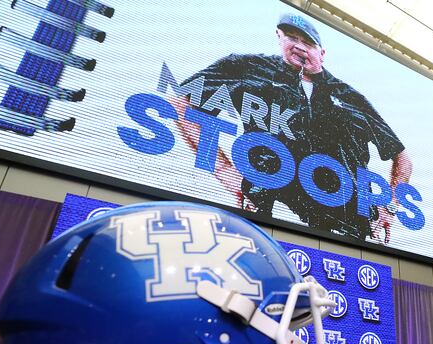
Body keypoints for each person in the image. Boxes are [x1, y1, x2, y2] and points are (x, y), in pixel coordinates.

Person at [171, 12, 412, 243]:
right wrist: (224, 171)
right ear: (279, 37)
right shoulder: (247, 68)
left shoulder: (350, 98)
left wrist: (389, 207)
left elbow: (402, 159)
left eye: (308, 42)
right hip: (268, 215)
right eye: (291, 37)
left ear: (322, 53)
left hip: (347, 228)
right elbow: (182, 102)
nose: (299, 46)